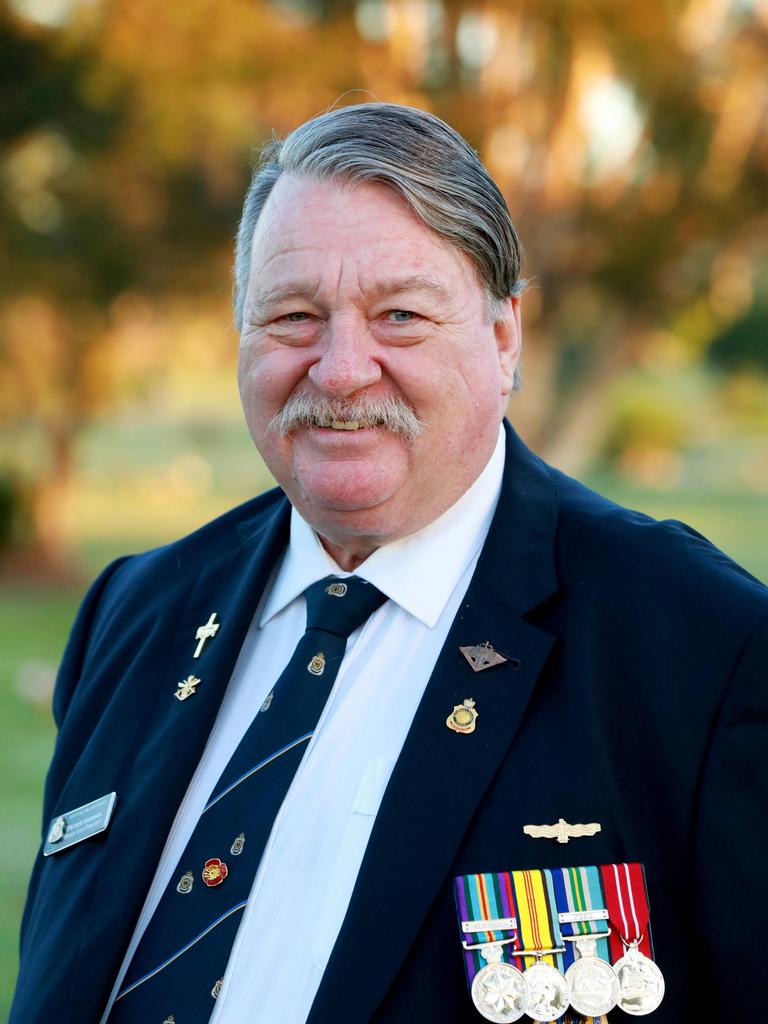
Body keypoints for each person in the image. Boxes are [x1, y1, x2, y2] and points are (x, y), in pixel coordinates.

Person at [10, 103, 768, 1024]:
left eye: (400, 315)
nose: (339, 370)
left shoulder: (702, 650)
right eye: (293, 316)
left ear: (502, 337)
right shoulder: (135, 615)